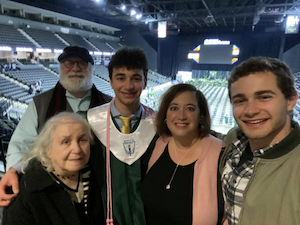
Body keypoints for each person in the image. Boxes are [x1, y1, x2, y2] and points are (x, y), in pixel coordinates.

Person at [0, 46, 111, 206]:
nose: (75, 68)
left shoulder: (109, 104)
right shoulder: (40, 104)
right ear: (60, 68)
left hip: (100, 191)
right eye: (68, 63)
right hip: (51, 192)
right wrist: (13, 171)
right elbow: (21, 144)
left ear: (92, 68)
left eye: (82, 63)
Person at [219, 57, 299, 225]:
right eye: (240, 100)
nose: (250, 111)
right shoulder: (235, 140)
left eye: (264, 97)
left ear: (291, 100)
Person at [87, 47, 158, 224]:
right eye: (121, 78)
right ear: (110, 81)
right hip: (105, 218)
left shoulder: (159, 125)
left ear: (145, 82)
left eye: (136, 78)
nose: (129, 86)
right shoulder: (89, 122)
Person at [141, 84, 225, 225]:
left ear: (201, 115)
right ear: (165, 114)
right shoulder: (159, 144)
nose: (181, 116)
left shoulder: (220, 154)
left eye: (190, 109)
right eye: (174, 108)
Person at [2, 112, 104, 225]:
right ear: (48, 149)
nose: (77, 149)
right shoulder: (24, 193)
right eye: (66, 142)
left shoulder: (97, 175)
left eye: (82, 140)